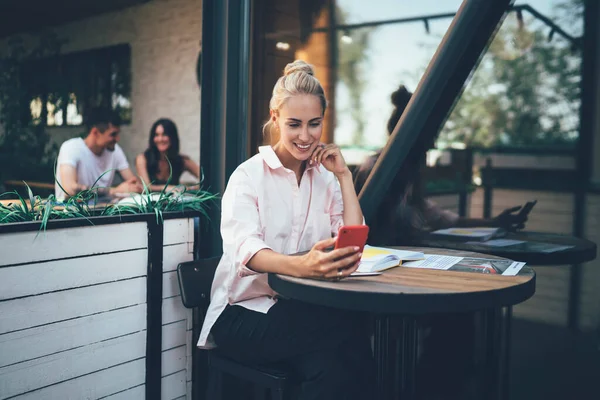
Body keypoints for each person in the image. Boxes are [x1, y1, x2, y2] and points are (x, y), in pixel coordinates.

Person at [198, 60, 374, 400]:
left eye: (314, 124)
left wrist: (344, 177)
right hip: (242, 313)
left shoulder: (325, 178)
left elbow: (352, 237)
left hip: (300, 310)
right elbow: (246, 249)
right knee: (348, 329)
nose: (305, 136)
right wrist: (304, 265)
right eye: (294, 124)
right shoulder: (248, 176)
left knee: (330, 362)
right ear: (275, 117)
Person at [354, 84, 528, 246]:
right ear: (410, 141)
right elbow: (380, 227)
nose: (431, 149)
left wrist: (494, 222)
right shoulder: (376, 172)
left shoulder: (408, 179)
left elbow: (438, 217)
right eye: (427, 144)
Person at [55, 107, 142, 201]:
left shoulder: (115, 150)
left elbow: (134, 184)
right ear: (95, 132)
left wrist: (132, 188)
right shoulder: (71, 147)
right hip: (71, 213)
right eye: (113, 134)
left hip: (101, 212)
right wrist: (114, 191)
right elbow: (69, 190)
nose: (117, 139)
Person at [135, 118, 201, 192]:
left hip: (175, 202)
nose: (160, 139)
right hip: (149, 203)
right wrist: (166, 188)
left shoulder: (181, 160)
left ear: (172, 137)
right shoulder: (142, 159)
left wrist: (190, 188)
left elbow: (206, 177)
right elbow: (146, 187)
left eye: (164, 134)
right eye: (156, 135)